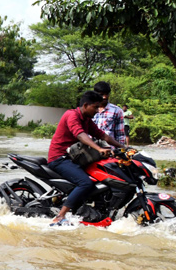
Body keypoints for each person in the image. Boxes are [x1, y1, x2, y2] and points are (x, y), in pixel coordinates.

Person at [47, 90, 126, 226]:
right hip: (59, 158)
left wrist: (123, 147)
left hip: (74, 158)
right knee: (85, 183)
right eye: (95, 107)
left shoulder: (86, 119)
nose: (97, 110)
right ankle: (60, 216)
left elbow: (103, 135)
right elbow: (80, 135)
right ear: (85, 105)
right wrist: (99, 148)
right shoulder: (71, 115)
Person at [90, 81, 127, 146]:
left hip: (109, 150)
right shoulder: (89, 109)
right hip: (91, 149)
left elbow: (120, 135)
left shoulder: (116, 110)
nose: (104, 97)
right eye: (101, 94)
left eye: (106, 94)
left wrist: (120, 152)